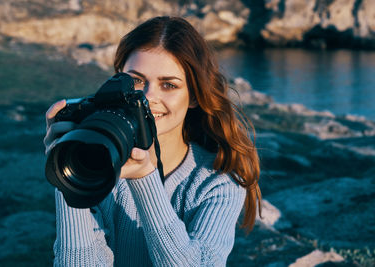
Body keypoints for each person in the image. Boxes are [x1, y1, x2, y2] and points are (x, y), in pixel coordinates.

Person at [44, 16, 261, 266]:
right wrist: (67, 166)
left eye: (169, 85)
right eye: (136, 81)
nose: (148, 97)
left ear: (193, 96)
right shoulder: (96, 163)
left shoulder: (217, 180)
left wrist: (144, 179)